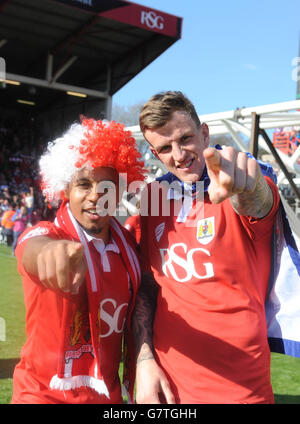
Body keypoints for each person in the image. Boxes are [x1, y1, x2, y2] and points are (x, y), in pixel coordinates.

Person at [131, 91, 284, 404]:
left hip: (240, 391)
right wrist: (144, 361)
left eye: (185, 138)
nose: (178, 154)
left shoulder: (236, 180)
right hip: (167, 389)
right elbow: (147, 288)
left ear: (204, 134)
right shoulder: (153, 199)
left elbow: (258, 200)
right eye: (164, 147)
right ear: (154, 153)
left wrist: (247, 186)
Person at [12, 118, 145, 404]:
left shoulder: (130, 247)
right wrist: (48, 252)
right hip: (42, 395)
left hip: (107, 397)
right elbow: (31, 248)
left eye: (107, 187)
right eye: (84, 184)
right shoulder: (49, 234)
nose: (96, 194)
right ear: (65, 191)